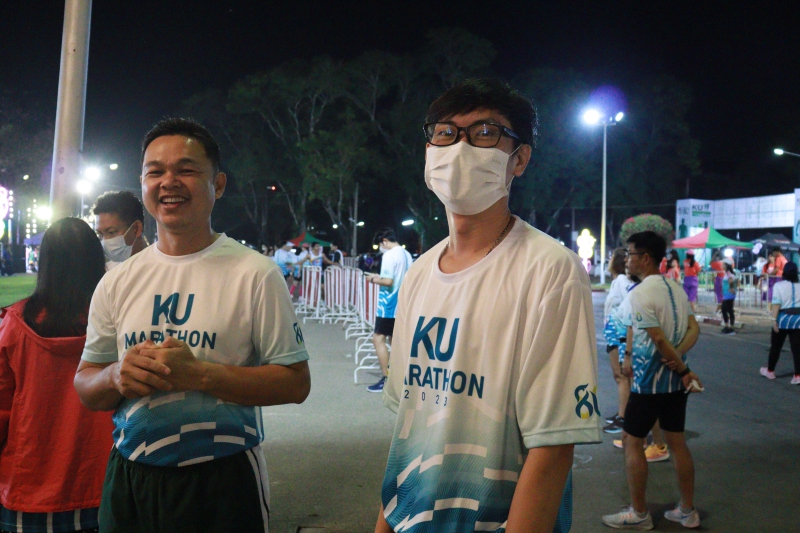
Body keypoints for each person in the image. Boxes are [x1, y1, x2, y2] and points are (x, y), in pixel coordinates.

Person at [375, 79, 602, 533]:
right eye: (445, 132)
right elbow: (407, 431)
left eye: (484, 133)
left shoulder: (550, 270)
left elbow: (553, 447)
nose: (459, 148)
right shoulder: (419, 274)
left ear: (519, 159)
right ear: (429, 150)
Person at [73, 118, 311, 533]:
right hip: (131, 474)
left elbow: (295, 383)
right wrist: (115, 375)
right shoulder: (117, 281)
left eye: (185, 169)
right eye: (155, 171)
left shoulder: (255, 273)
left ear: (218, 184)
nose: (169, 182)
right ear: (143, 184)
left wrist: (199, 374)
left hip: (222, 477)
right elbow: (86, 383)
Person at [0, 218, 113, 533]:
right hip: (105, 482)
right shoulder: (120, 323)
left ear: (45, 263)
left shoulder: (14, 325)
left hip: (28, 487)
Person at [602, 231, 702, 530]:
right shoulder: (676, 288)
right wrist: (679, 359)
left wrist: (679, 366)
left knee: (632, 442)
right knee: (677, 443)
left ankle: (639, 513)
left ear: (645, 258)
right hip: (674, 386)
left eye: (630, 253)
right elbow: (694, 328)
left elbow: (657, 338)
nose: (627, 259)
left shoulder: (641, 293)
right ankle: (687, 511)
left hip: (648, 384)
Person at [365, 228, 412, 393]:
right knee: (395, 342)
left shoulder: (390, 255)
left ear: (384, 241)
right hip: (403, 303)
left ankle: (387, 378)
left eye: (380, 245)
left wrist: (373, 279)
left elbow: (388, 281)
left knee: (378, 339)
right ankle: (400, 378)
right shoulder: (407, 255)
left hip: (389, 305)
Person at [602, 248, 633, 434]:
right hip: (613, 332)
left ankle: (623, 417)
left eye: (612, 257)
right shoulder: (617, 281)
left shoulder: (621, 281)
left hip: (618, 332)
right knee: (619, 376)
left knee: (621, 376)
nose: (609, 260)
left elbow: (629, 305)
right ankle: (622, 413)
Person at [761, 261, 800, 384]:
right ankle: (798, 375)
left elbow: (776, 304)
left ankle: (770, 371)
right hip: (798, 320)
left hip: (782, 319)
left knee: (776, 347)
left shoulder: (779, 285)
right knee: (797, 349)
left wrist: (774, 320)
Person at [92, 190, 149, 269]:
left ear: (136, 228)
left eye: (111, 232)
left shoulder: (159, 268)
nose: (105, 241)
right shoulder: (108, 271)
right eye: (100, 234)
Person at [721, 260, 737, 335]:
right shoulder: (727, 273)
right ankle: (727, 326)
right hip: (726, 294)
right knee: (724, 310)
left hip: (729, 294)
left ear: (727, 265)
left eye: (723, 264)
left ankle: (731, 327)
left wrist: (731, 288)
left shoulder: (729, 273)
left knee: (729, 310)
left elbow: (731, 281)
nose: (722, 265)